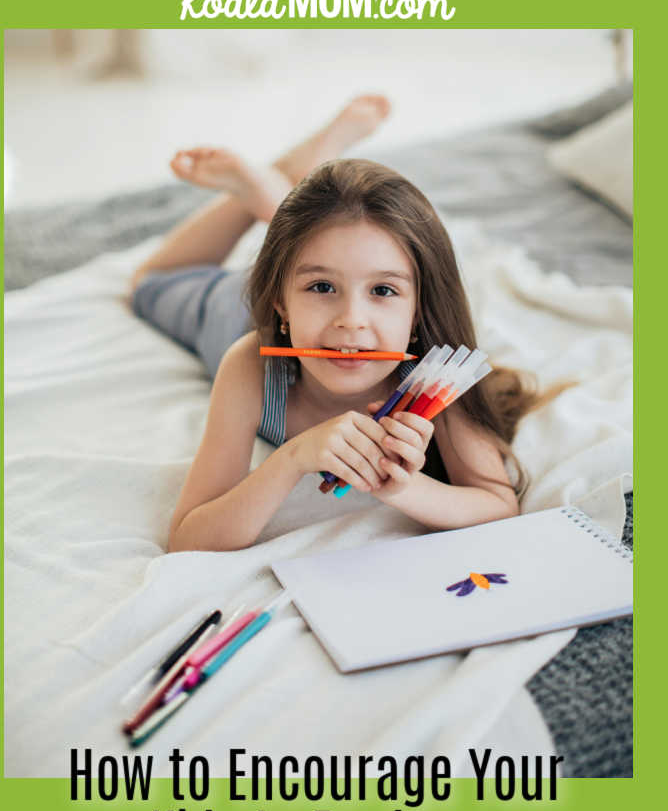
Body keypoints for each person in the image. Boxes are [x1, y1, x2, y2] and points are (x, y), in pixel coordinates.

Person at [131, 96, 534, 552]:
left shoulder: (432, 377)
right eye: (323, 288)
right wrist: (293, 458)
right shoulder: (248, 363)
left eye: (383, 291)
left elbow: (499, 506)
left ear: (419, 309)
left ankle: (281, 197)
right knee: (149, 283)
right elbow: (189, 539)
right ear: (280, 301)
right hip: (233, 312)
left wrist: (404, 488)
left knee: (328, 244)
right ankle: (271, 192)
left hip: (295, 294)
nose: (351, 323)